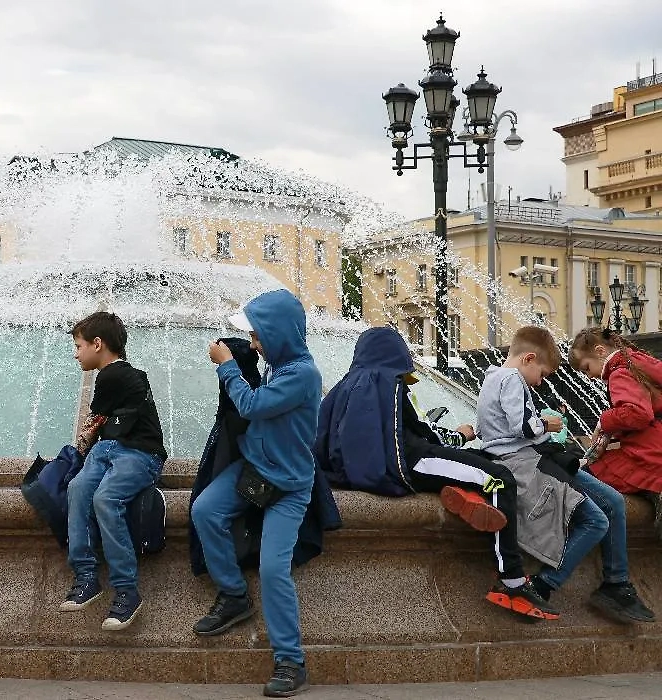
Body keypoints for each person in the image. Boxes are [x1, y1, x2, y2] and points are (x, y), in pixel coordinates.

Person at [315, 326, 557, 621]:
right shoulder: (382, 382)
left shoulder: (354, 383)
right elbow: (404, 438)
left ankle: (465, 495)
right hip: (414, 464)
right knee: (500, 479)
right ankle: (512, 581)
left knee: (481, 463)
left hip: (415, 460)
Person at [191, 289, 319, 698]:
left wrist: (227, 366)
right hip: (252, 471)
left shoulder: (303, 374)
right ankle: (233, 595)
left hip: (288, 489)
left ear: (279, 333)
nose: (254, 344)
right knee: (205, 511)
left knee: (272, 569)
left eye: (259, 336)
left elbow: (250, 405)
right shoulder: (279, 367)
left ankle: (290, 660)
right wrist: (241, 360)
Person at [478, 325, 653, 622]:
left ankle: (616, 584)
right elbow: (522, 428)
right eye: (543, 375)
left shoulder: (494, 379)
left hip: (541, 459)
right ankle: (544, 585)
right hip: (530, 464)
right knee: (597, 519)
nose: (540, 383)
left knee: (612, 502)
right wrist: (548, 425)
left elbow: (491, 429)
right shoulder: (510, 378)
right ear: (529, 359)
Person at [61, 312, 167, 632]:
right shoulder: (118, 375)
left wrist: (79, 446)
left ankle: (126, 590)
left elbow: (95, 421)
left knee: (106, 498)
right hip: (108, 450)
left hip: (140, 453)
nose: (75, 353)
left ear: (98, 344)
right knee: (78, 489)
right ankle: (87, 578)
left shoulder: (113, 375)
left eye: (79, 346)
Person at [569, 327, 662, 499]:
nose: (588, 377)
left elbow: (638, 413)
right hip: (655, 447)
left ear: (600, 351)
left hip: (648, 455)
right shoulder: (635, 361)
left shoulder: (619, 373)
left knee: (586, 475)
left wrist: (604, 421)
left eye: (587, 368)